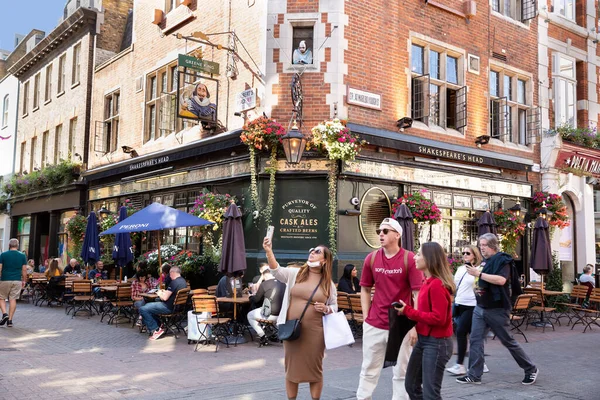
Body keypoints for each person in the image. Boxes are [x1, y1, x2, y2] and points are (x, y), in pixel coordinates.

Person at [457, 233, 538, 386]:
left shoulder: (503, 260)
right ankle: (474, 375)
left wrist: (479, 273)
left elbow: (501, 280)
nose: (481, 249)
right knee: (475, 340)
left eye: (484, 246)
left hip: (497, 308)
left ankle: (530, 369)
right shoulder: (485, 262)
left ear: (493, 246)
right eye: (480, 246)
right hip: (480, 307)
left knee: (508, 341)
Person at [357, 218, 424, 400]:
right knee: (369, 367)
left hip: (401, 324)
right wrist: (366, 317)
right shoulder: (371, 258)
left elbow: (417, 293)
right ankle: (363, 397)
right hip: (375, 323)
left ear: (397, 235)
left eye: (385, 231)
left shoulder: (409, 259)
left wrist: (414, 326)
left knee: (402, 370)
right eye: (379, 230)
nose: (381, 234)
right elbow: (364, 288)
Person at [263, 238, 338, 400]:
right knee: (291, 368)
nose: (312, 252)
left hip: (316, 333)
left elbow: (335, 306)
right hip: (292, 329)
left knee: (315, 369)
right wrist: (269, 251)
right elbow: (276, 271)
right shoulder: (296, 273)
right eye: (312, 250)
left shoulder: (328, 284)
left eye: (317, 251)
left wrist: (326, 309)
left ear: (325, 261)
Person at [394, 242, 455, 400]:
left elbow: (439, 318)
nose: (415, 257)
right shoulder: (427, 282)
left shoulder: (436, 285)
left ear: (429, 259)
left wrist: (408, 311)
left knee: (430, 393)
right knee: (411, 385)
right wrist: (407, 310)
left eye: (419, 254)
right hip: (425, 340)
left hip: (437, 343)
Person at [446, 245, 489, 376]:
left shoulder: (479, 270)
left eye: (468, 253)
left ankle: (459, 365)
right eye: (463, 253)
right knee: (473, 335)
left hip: (471, 305)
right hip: (459, 304)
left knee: (460, 332)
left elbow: (481, 287)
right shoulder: (460, 269)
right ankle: (481, 363)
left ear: (474, 256)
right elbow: (454, 285)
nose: (464, 255)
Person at [139, 265, 187, 340]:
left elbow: (164, 298)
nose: (169, 276)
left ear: (173, 273)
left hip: (168, 307)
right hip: (178, 307)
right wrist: (165, 292)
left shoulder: (174, 282)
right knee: (151, 304)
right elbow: (172, 294)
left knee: (143, 309)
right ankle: (160, 324)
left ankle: (156, 329)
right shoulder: (183, 281)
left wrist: (159, 293)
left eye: (170, 274)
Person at [247, 268, 286, 346]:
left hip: (270, 315)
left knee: (250, 315)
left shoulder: (264, 284)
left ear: (264, 275)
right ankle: (273, 334)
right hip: (282, 316)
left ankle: (262, 336)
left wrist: (250, 296)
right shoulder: (283, 284)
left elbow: (256, 300)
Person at [0, 238, 28, 327]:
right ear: (18, 245)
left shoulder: (3, 255)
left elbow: (0, 268)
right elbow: (24, 269)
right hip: (17, 280)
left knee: (1, 298)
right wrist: (24, 280)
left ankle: (5, 314)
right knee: (13, 299)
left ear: (9, 245)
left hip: (5, 279)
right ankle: (10, 321)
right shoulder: (22, 255)